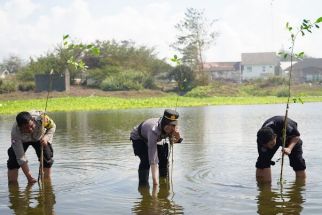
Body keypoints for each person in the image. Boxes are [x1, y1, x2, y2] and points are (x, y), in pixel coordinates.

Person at [130, 109, 183, 186]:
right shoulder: (153, 130)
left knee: (163, 158)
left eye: (173, 125)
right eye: (168, 124)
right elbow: (153, 160)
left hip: (156, 138)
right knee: (146, 160)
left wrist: (178, 137)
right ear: (164, 122)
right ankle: (143, 185)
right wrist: (155, 184)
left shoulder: (173, 128)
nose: (170, 127)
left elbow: (174, 142)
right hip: (139, 138)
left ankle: (164, 182)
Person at [7, 111, 56, 184]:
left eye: (31, 126)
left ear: (33, 120)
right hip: (23, 140)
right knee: (13, 160)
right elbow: (21, 158)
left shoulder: (42, 119)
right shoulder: (15, 132)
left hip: (39, 138)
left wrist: (46, 137)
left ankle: (46, 182)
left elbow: (52, 126)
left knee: (47, 157)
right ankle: (13, 184)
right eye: (26, 128)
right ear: (19, 127)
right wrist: (29, 177)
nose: (30, 130)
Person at [256, 116, 306, 182]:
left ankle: (300, 186)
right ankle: (262, 185)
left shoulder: (285, 124)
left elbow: (296, 136)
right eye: (267, 146)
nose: (270, 148)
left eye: (271, 145)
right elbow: (264, 161)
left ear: (275, 137)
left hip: (291, 138)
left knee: (298, 163)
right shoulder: (261, 138)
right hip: (270, 140)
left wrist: (289, 148)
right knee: (263, 161)